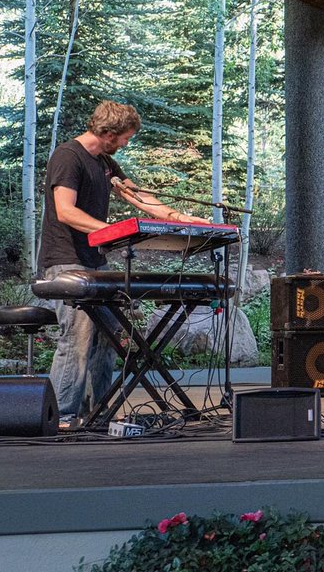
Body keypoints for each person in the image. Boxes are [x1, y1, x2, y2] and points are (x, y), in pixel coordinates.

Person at [38, 100, 209, 424]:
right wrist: (111, 231)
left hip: (94, 264)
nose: (127, 143)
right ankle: (61, 417)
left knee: (108, 333)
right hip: (66, 262)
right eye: (125, 137)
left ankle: (97, 413)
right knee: (78, 338)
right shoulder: (68, 156)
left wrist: (182, 218)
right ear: (109, 132)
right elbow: (65, 210)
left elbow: (139, 196)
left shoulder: (105, 162)